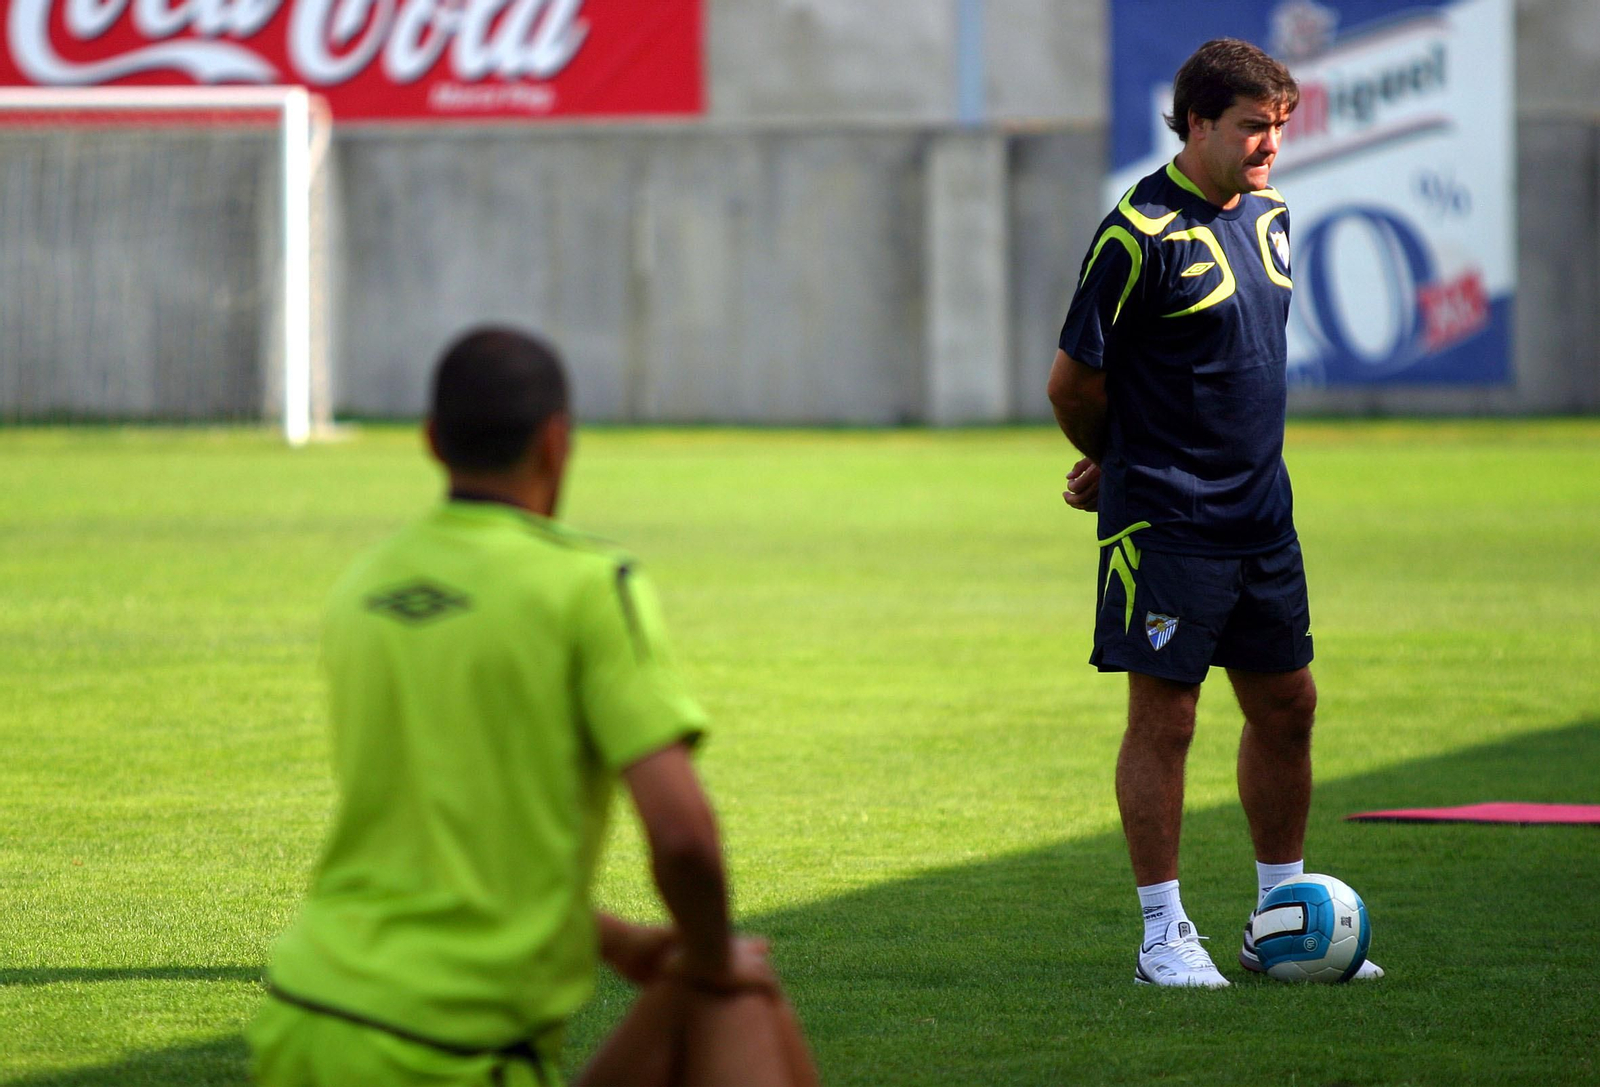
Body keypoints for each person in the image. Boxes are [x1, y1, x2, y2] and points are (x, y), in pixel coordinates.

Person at [248, 327, 819, 1085]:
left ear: (430, 441)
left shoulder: (364, 586)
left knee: (721, 993)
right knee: (739, 998)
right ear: (556, 442)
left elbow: (445, 862)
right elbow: (684, 837)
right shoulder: (586, 586)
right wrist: (712, 962)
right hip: (444, 1047)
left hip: (301, 1014)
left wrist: (618, 942)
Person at [1046, 38, 1382, 988]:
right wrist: (1111, 461)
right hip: (1168, 520)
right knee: (1169, 717)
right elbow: (1071, 380)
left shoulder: (1272, 217)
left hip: (1263, 516)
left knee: (1289, 704)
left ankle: (1281, 921)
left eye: (1279, 125)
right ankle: (1164, 937)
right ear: (1196, 122)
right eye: (1251, 126)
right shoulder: (1136, 233)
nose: (1270, 143)